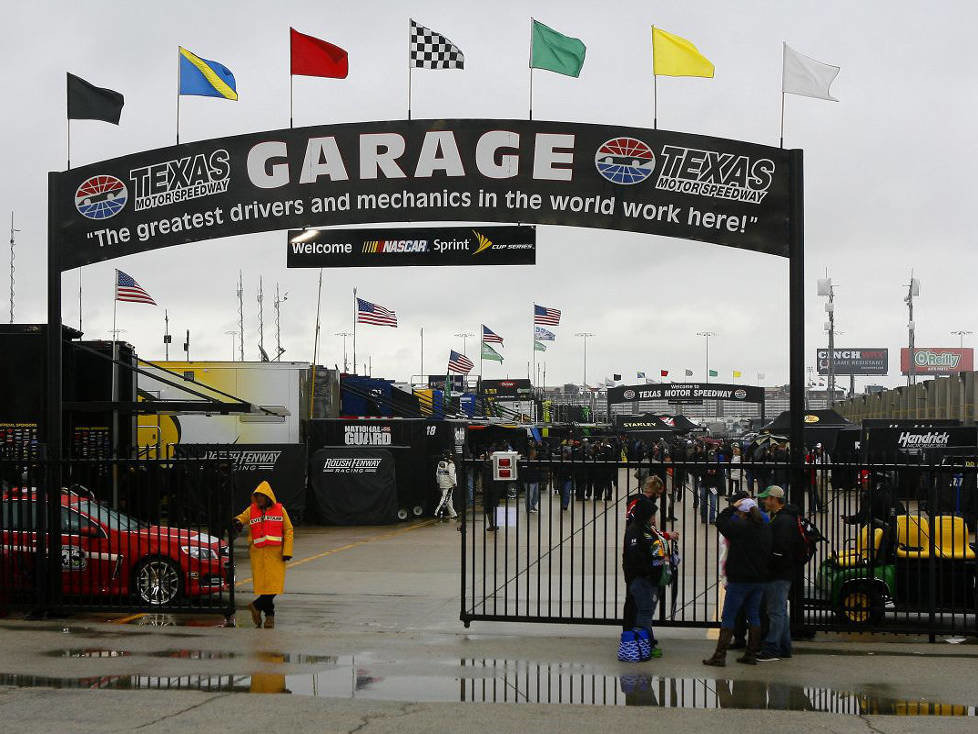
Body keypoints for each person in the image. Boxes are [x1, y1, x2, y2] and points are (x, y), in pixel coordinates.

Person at [703, 498, 771, 667]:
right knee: (754, 616)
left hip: (740, 579)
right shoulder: (765, 529)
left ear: (742, 513)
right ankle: (751, 653)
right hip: (759, 579)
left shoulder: (739, 528)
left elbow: (720, 521)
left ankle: (720, 655)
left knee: (729, 616)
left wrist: (732, 507)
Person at [233, 481, 294, 629]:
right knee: (265, 588)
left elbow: (288, 530)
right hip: (258, 555)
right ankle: (269, 618)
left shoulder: (280, 509)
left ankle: (256, 605)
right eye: (257, 496)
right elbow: (242, 517)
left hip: (276, 555)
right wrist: (238, 522)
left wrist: (287, 551)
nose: (259, 499)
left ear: (268, 497)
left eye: (261, 496)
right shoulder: (252, 510)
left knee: (274, 587)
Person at [756, 485, 799, 662]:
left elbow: (779, 550)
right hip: (782, 572)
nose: (764, 501)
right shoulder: (782, 518)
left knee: (775, 612)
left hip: (778, 574)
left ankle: (772, 648)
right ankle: (784, 647)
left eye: (767, 498)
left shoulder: (782, 521)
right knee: (779, 611)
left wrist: (768, 565)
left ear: (775, 500)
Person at [621, 499, 668, 658]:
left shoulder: (648, 529)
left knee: (646, 612)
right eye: (652, 515)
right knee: (644, 614)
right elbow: (635, 557)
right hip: (642, 579)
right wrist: (649, 572)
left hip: (650, 578)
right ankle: (644, 646)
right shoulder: (635, 531)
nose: (654, 518)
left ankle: (645, 644)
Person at [434, 452, 458, 521]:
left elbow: (437, 474)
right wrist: (454, 483)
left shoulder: (440, 463)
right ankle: (437, 513)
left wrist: (438, 482)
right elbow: (451, 475)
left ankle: (453, 514)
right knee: (445, 499)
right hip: (448, 484)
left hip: (442, 483)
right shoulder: (451, 464)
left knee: (449, 499)